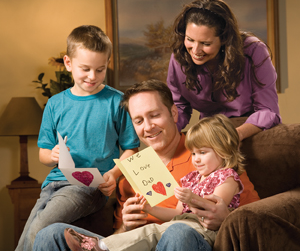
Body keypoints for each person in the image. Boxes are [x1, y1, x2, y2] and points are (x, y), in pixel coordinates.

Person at [32, 80, 259, 251]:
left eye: (154, 115)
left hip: (188, 239)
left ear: (172, 112)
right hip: (136, 244)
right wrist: (126, 226)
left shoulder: (207, 155)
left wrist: (223, 215)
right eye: (139, 120)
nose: (148, 127)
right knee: (50, 234)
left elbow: (253, 215)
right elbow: (119, 234)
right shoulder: (132, 168)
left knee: (178, 232)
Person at [16, 25, 140, 251]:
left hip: (88, 186)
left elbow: (131, 149)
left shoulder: (117, 101)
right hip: (52, 184)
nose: (93, 76)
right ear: (68, 63)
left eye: (100, 69)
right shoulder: (55, 104)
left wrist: (112, 174)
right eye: (85, 69)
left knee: (39, 228)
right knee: (27, 233)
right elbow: (43, 154)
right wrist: (52, 154)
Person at [63, 114, 245, 251]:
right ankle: (100, 245)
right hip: (180, 222)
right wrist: (149, 209)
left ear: (223, 151)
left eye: (202, 153)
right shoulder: (192, 178)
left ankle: (100, 246)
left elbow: (213, 209)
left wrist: (192, 198)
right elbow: (176, 212)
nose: (196, 159)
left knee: (158, 232)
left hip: (204, 232)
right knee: (150, 230)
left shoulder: (227, 177)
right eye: (194, 153)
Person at [167, 0, 281, 141]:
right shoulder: (180, 56)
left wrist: (235, 135)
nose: (195, 50)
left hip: (251, 130)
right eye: (190, 40)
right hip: (211, 133)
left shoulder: (254, 50)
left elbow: (268, 110)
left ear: (224, 39)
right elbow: (179, 107)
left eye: (205, 43)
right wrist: (166, 135)